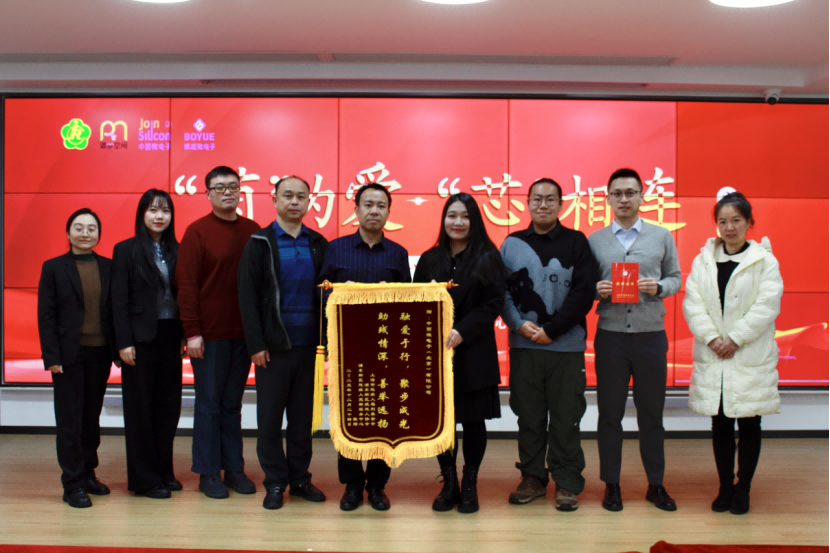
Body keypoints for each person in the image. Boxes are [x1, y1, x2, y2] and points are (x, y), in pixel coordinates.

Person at [683, 191, 783, 515]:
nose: (729, 227)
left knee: (750, 423)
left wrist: (736, 339)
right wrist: (713, 338)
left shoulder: (764, 261)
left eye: (736, 220)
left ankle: (744, 488)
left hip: (749, 354)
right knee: (721, 424)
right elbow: (693, 303)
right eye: (723, 221)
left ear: (749, 222)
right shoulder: (703, 261)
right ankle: (725, 487)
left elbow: (767, 306)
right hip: (715, 355)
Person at [499, 179, 596, 512]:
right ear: (527, 203)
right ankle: (532, 477)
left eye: (550, 199)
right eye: (537, 199)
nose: (543, 204)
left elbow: (583, 293)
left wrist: (552, 330)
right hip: (524, 346)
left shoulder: (577, 242)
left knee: (567, 417)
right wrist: (517, 324)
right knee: (529, 416)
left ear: (561, 204)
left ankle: (567, 480)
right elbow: (501, 292)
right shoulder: (512, 243)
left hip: (566, 348)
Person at [589, 168, 682, 512]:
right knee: (610, 414)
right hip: (611, 337)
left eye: (630, 193)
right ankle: (611, 484)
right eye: (617, 193)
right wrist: (595, 290)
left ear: (642, 196)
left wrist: (660, 287)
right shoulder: (595, 240)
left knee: (652, 414)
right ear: (608, 199)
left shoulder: (661, 236)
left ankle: (656, 484)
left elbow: (676, 277)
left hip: (650, 336)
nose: (624, 199)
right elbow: (583, 286)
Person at [318, 182, 411, 512]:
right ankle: (352, 485)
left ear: (388, 212)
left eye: (381, 205)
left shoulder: (398, 253)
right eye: (368, 204)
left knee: (383, 416)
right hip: (347, 349)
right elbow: (321, 294)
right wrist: (341, 293)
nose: (374, 211)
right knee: (349, 417)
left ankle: (378, 485)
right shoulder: (335, 249)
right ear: (356, 210)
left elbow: (408, 302)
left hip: (385, 350)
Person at [238, 176, 329, 510]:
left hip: (309, 347)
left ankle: (300, 479)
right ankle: (275, 482)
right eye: (287, 195)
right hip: (273, 348)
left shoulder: (318, 242)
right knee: (270, 421)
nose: (294, 201)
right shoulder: (259, 242)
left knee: (302, 421)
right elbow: (247, 296)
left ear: (308, 202)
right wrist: (256, 343)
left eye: (300, 196)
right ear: (274, 199)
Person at [413, 193, 506, 514]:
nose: (458, 222)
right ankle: (449, 482)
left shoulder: (487, 257)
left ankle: (470, 483)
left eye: (465, 216)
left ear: (474, 221)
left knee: (474, 422)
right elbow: (416, 302)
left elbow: (494, 303)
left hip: (475, 351)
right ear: (443, 219)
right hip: (437, 354)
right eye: (452, 215)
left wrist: (463, 330)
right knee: (444, 423)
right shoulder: (430, 259)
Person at [176, 166, 261, 499]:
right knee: (209, 405)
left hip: (244, 335)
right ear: (208, 193)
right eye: (220, 187)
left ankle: (234, 469)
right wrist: (192, 332)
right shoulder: (197, 231)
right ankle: (208, 471)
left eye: (233, 186)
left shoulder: (253, 231)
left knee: (232, 405)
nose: (228, 192)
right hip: (208, 337)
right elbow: (186, 286)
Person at [37, 208, 116, 508]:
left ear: (98, 234)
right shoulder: (53, 267)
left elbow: (116, 311)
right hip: (67, 356)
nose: (85, 233)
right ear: (68, 233)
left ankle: (87, 474)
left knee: (90, 418)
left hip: (100, 353)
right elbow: (46, 315)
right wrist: (51, 356)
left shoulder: (109, 266)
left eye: (91, 228)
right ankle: (71, 484)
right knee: (70, 420)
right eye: (79, 227)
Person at [112, 189, 184, 499]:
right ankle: (144, 480)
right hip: (139, 340)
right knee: (140, 409)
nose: (159, 216)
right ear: (142, 214)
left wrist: (185, 333)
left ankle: (164, 471)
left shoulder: (178, 250)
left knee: (168, 407)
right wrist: (123, 342)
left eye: (165, 211)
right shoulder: (125, 250)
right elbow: (118, 300)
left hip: (170, 336)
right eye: (153, 210)